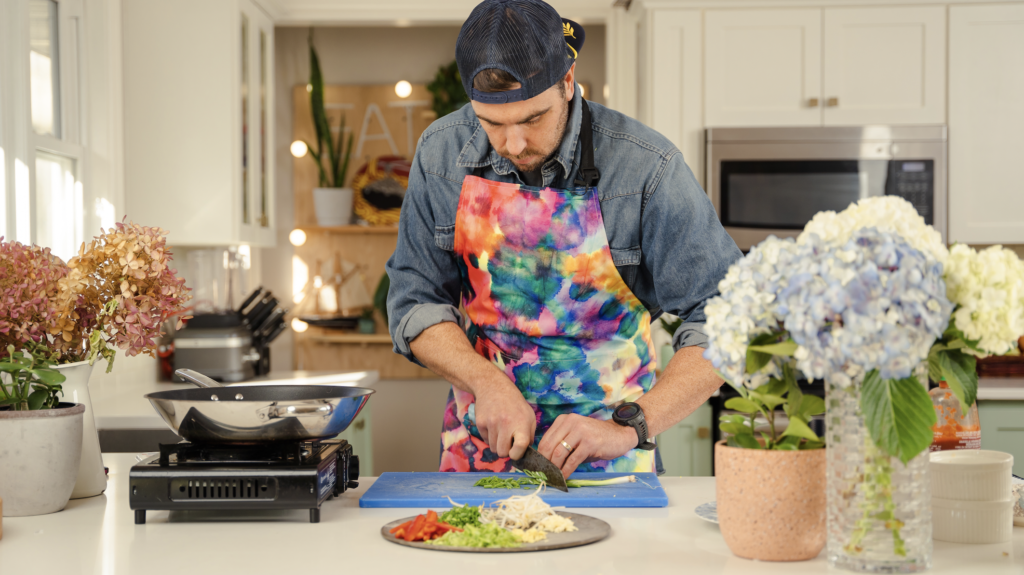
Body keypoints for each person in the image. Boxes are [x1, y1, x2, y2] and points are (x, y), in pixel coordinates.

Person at [386, 0, 741, 478]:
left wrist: (632, 425)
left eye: (532, 119)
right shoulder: (440, 153)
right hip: (480, 454)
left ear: (568, 82)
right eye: (492, 124)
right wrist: (485, 382)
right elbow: (414, 302)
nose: (512, 145)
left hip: (614, 456)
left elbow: (728, 318)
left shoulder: (647, 168)